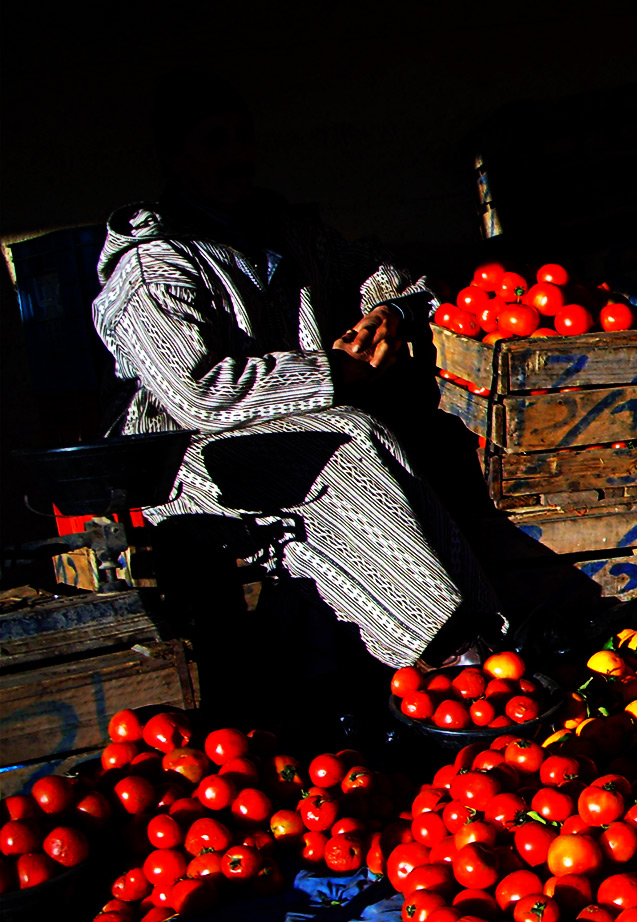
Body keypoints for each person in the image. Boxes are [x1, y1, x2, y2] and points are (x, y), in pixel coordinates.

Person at [92, 78, 500, 669]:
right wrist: (336, 372)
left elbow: (387, 273)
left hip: (301, 421)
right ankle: (442, 650)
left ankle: (482, 628)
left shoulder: (282, 233)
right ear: (175, 160)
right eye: (213, 141)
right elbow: (200, 393)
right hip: (185, 458)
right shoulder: (154, 265)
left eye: (241, 137)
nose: (236, 154)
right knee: (342, 452)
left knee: (391, 433)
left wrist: (390, 313)